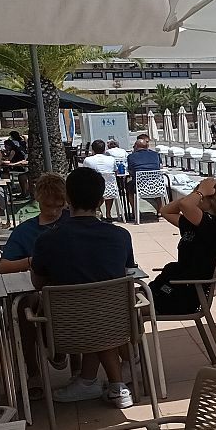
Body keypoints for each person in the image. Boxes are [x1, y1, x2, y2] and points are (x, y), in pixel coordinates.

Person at [31, 167, 135, 408]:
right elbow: (128, 272)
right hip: (116, 327)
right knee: (99, 308)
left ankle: (88, 381)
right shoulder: (120, 236)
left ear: (67, 198)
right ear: (100, 201)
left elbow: (38, 283)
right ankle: (113, 385)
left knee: (87, 310)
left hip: (65, 331)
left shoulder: (47, 239)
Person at [151, 176, 216, 317]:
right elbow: (166, 211)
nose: (198, 198)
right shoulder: (196, 224)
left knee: (129, 310)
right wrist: (197, 192)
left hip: (184, 295)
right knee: (127, 303)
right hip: (173, 287)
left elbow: (186, 205)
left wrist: (200, 192)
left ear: (214, 200)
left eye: (201, 195)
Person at [0, 173, 67, 273]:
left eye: (59, 206)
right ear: (37, 197)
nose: (53, 212)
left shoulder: (75, 221)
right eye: (48, 205)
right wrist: (34, 261)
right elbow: (2, 267)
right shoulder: (25, 231)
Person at [125, 135, 164, 217]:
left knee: (129, 186)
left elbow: (131, 171)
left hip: (140, 187)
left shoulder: (131, 157)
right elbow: (160, 166)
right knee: (157, 183)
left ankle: (135, 211)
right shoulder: (155, 154)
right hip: (157, 186)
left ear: (136, 147)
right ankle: (160, 210)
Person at [81, 139, 120, 220]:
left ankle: (98, 211)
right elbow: (116, 172)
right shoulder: (111, 159)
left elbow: (84, 173)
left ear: (92, 150)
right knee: (108, 191)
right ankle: (108, 213)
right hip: (110, 189)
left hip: (94, 190)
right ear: (104, 149)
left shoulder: (87, 160)